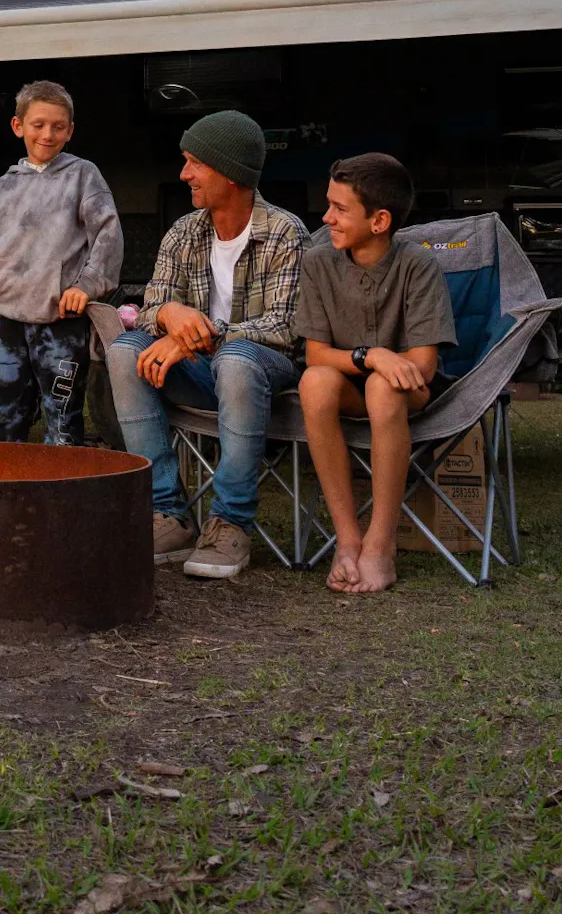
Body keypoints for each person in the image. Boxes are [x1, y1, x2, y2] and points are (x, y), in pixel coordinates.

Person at [106, 110, 306, 579]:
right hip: (202, 375)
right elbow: (152, 306)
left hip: (266, 377)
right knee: (124, 350)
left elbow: (285, 328)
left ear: (230, 172)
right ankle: (168, 514)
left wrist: (199, 337)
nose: (184, 174)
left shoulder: (285, 232)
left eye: (195, 162)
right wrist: (169, 316)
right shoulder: (184, 231)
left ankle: (231, 523)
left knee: (235, 359)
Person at [296, 153, 454, 593]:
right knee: (314, 383)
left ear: (380, 221)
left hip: (408, 392)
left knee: (383, 388)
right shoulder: (318, 264)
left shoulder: (417, 265)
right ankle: (348, 540)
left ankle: (381, 543)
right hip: (351, 383)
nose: (326, 217)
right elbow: (315, 356)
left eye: (339, 208)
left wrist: (383, 365)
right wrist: (373, 356)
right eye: (328, 205)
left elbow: (422, 365)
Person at [0, 78, 122, 445]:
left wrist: (87, 285)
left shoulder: (83, 176)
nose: (47, 134)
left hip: (61, 320)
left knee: (63, 415)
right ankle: (3, 478)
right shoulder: (1, 188)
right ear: (18, 125)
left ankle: (61, 480)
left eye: (58, 126)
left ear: (70, 131)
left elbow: (108, 234)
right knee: (5, 412)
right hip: (6, 320)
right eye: (38, 124)